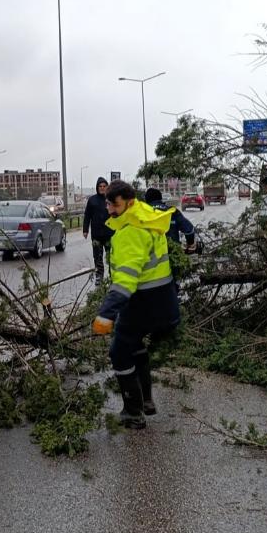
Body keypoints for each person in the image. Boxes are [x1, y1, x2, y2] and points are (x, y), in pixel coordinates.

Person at [91, 181, 181, 429]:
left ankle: (133, 412)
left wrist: (105, 315)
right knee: (135, 344)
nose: (109, 210)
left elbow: (124, 284)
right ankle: (147, 401)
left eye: (114, 204)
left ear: (129, 202)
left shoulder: (131, 231)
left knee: (119, 352)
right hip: (164, 302)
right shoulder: (149, 217)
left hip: (142, 303)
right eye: (108, 203)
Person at [82, 177, 113, 281]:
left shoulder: (111, 199)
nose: (102, 188)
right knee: (97, 256)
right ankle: (99, 276)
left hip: (110, 234)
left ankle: (112, 275)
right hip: (96, 235)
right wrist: (85, 229)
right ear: (97, 187)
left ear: (107, 187)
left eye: (104, 186)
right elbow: (87, 216)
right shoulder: (92, 200)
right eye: (100, 186)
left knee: (111, 256)